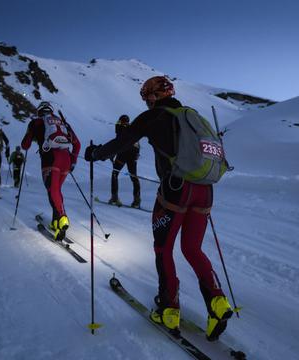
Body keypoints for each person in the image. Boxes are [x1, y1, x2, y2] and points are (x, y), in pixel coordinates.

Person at [84, 76, 233, 340]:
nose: (145, 101)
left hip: (176, 189)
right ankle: (217, 302)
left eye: (146, 96)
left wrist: (95, 153)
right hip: (205, 190)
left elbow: (122, 142)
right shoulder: (192, 116)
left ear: (154, 96)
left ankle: (168, 309)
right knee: (192, 248)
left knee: (163, 249)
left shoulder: (153, 117)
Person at [21, 101, 80, 241]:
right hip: (66, 159)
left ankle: (62, 218)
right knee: (55, 191)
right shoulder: (62, 123)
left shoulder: (37, 122)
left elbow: (25, 145)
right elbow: (77, 144)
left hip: (50, 159)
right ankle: (56, 221)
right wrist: (73, 161)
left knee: (53, 190)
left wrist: (31, 133)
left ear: (39, 112)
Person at [109, 114, 141, 208]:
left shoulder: (119, 128)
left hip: (123, 154)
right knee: (134, 176)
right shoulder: (132, 128)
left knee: (115, 173)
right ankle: (137, 201)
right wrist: (136, 155)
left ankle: (114, 198)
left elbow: (117, 142)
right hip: (133, 154)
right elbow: (137, 142)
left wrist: (112, 154)